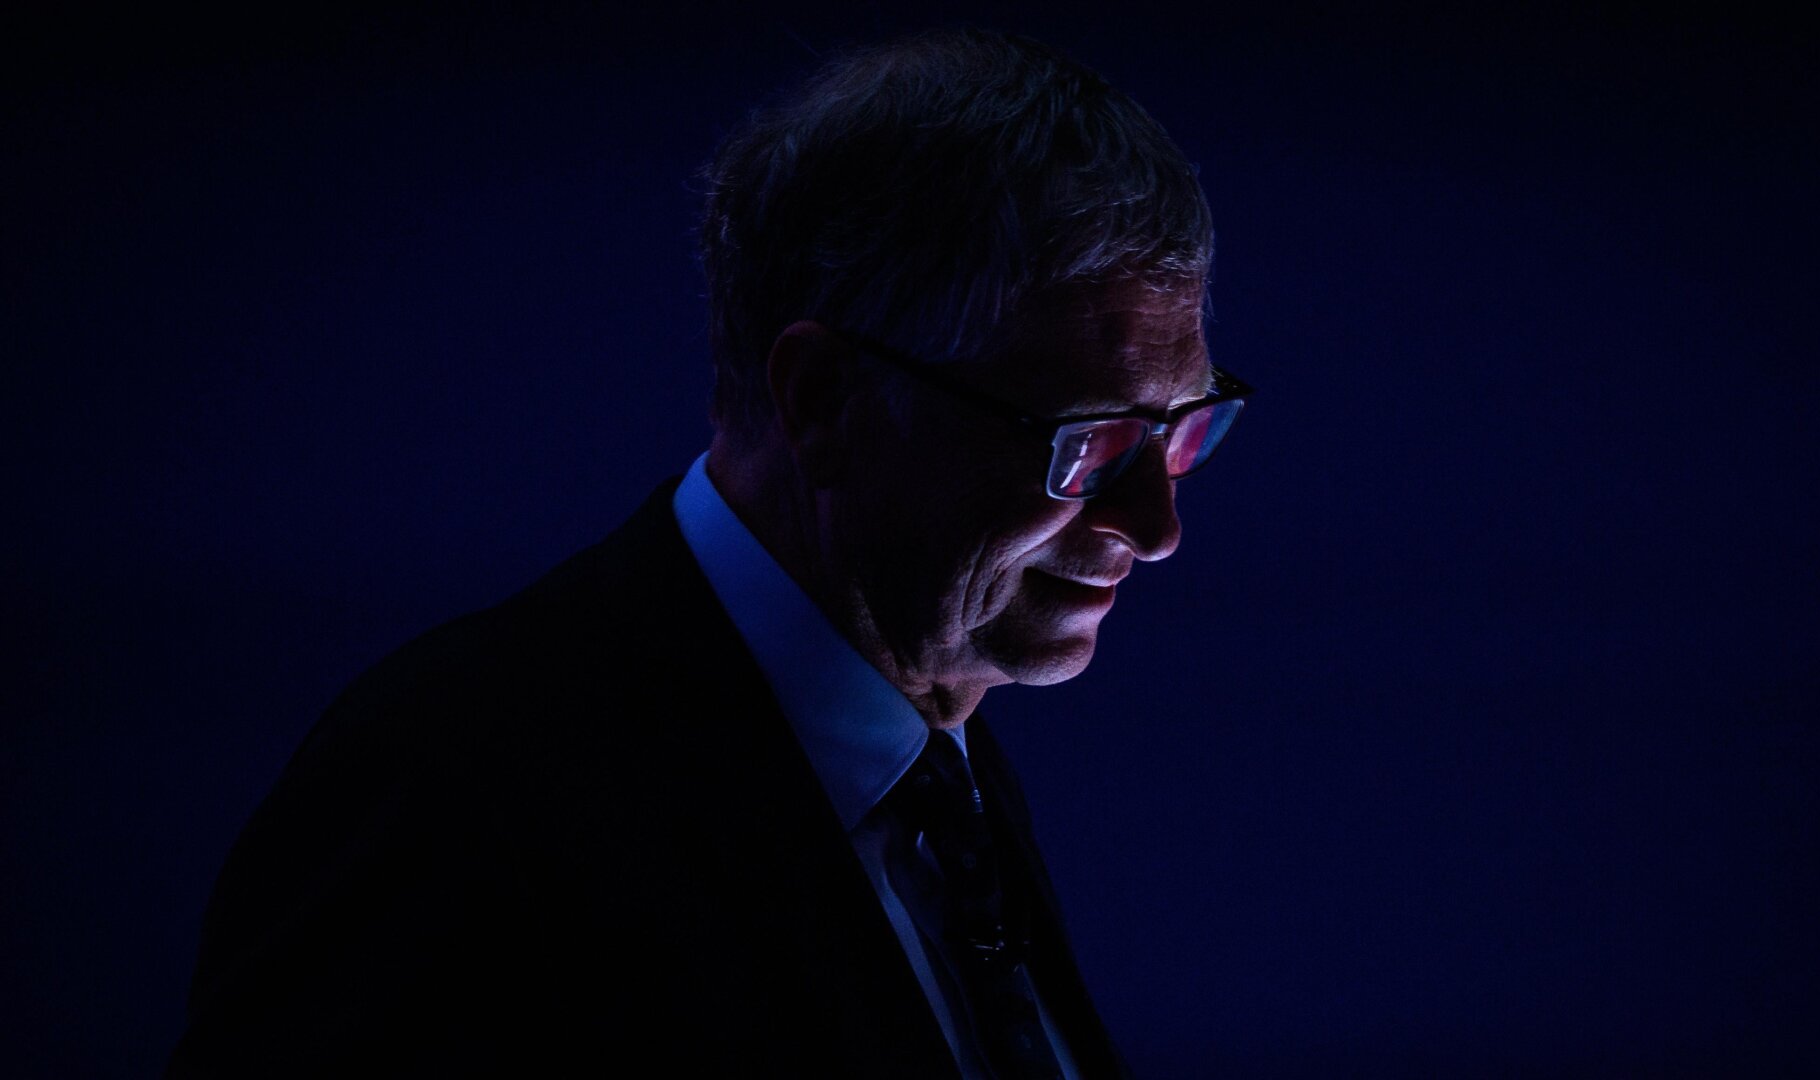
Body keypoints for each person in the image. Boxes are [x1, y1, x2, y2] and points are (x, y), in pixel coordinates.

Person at [167, 26, 1250, 1078]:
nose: (1158, 530)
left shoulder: (941, 768)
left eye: (1181, 430)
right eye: (1092, 442)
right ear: (824, 402)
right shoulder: (444, 802)